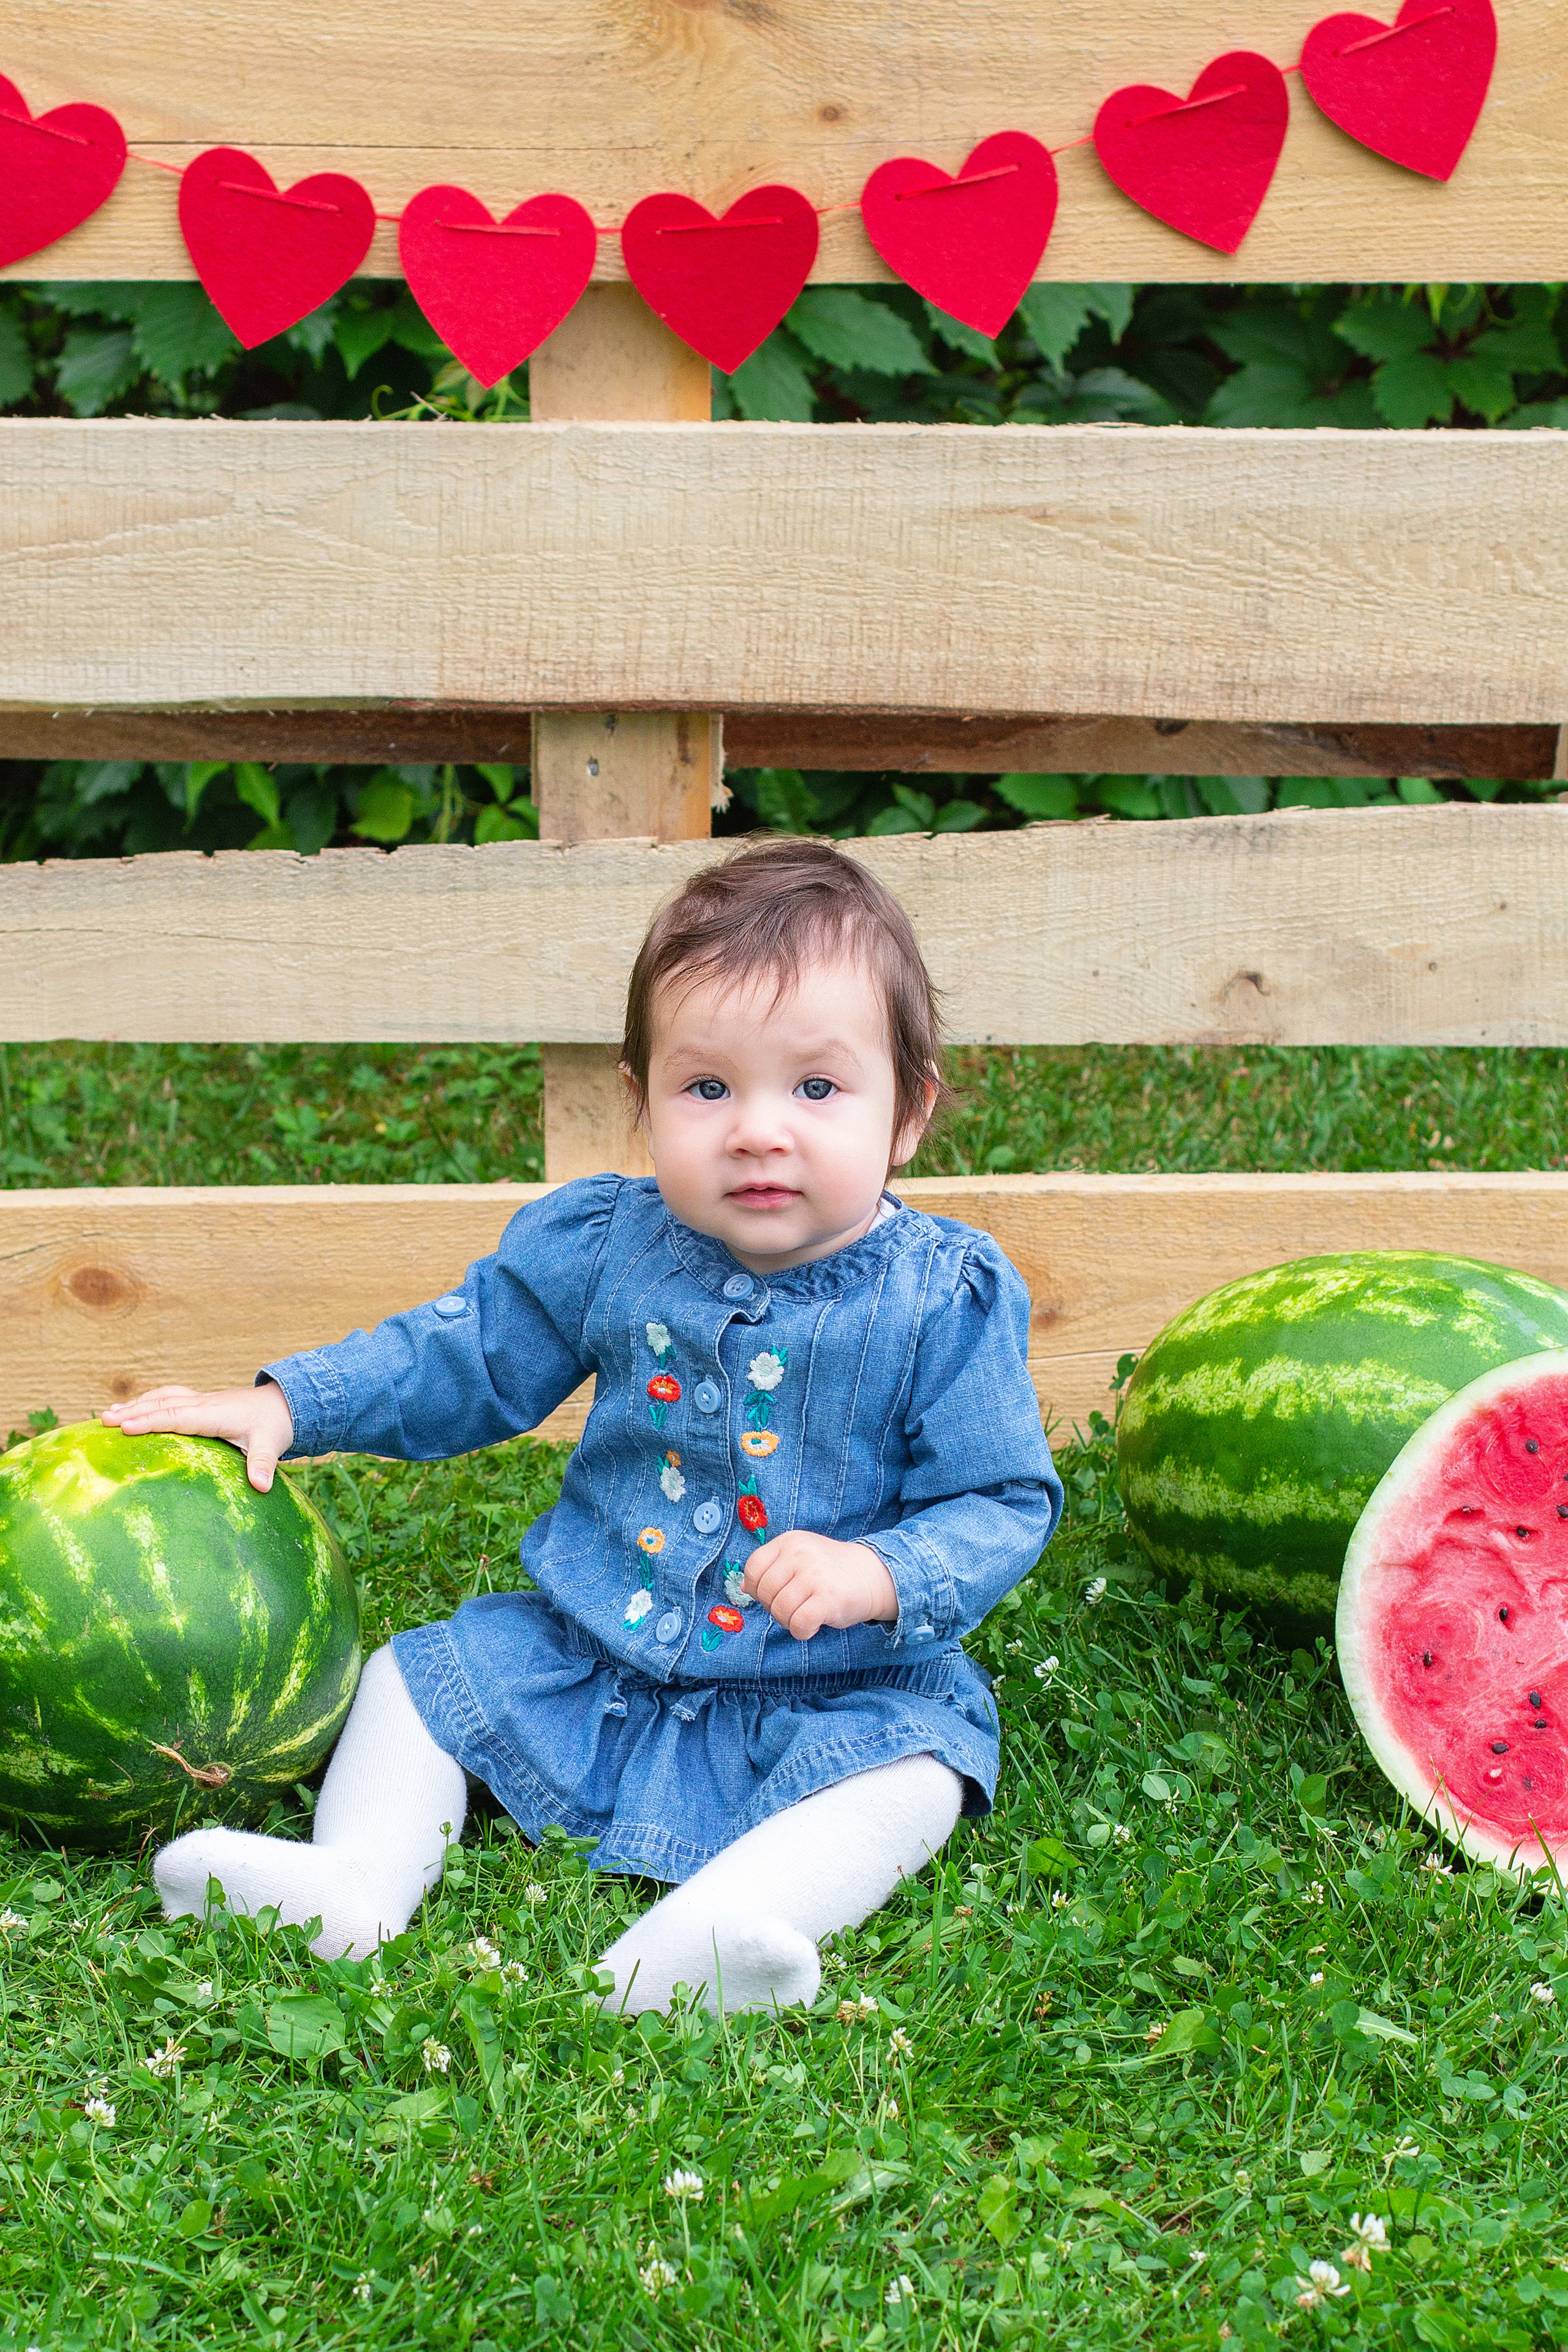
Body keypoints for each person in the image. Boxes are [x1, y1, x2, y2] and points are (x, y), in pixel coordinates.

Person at [104, 837, 1061, 2015]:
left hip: (834, 1686)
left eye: (816, 1088)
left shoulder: (940, 1296)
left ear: (906, 1114)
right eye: (708, 1088)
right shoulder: (607, 1244)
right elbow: (463, 1356)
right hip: (589, 1661)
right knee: (416, 1677)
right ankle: (354, 1883)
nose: (759, 1130)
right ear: (642, 1101)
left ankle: (718, 1936)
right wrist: (294, 1402)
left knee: (919, 1773)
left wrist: (882, 1571)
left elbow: (1004, 1498)